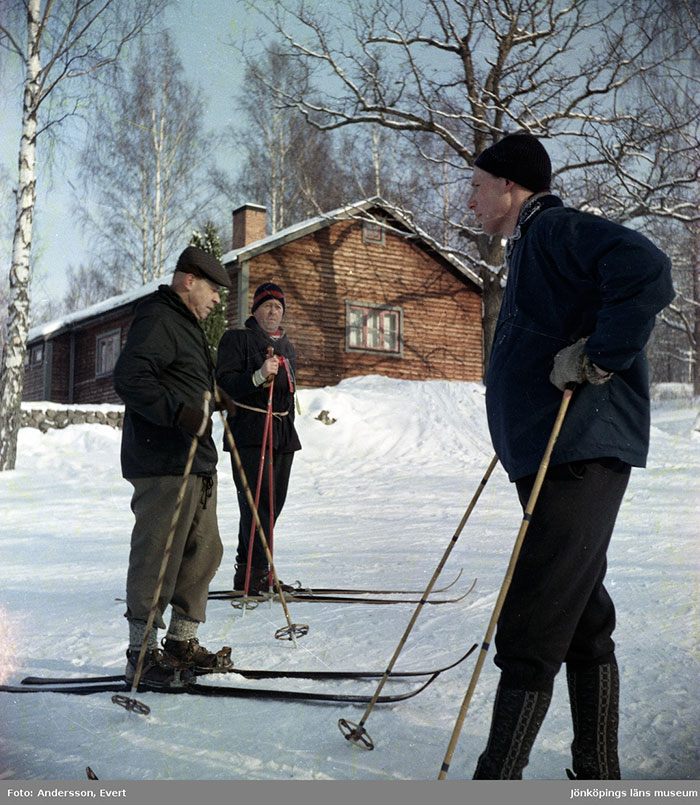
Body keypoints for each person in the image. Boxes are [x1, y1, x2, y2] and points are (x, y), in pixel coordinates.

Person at [467, 132, 674, 779]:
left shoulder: (554, 229)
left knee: (531, 618)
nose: (470, 201)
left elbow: (646, 270)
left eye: (477, 186)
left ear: (509, 184)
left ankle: (496, 777)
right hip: (554, 456)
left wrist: (599, 356)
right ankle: (598, 770)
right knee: (581, 615)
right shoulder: (528, 248)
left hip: (579, 452)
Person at [113, 246, 235, 689]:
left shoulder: (187, 326)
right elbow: (130, 379)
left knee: (204, 552)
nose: (219, 300)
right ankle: (141, 654)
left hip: (197, 462)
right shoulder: (159, 318)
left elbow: (180, 378)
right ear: (188, 281)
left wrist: (211, 398)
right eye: (213, 289)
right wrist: (180, 412)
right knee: (156, 557)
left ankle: (181, 644)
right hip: (164, 460)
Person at [215, 282, 301, 595]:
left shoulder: (287, 345)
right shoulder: (237, 338)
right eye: (267, 305)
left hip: (281, 432)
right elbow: (223, 384)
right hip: (251, 430)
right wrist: (258, 376)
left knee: (273, 505)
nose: (273, 311)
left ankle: (261, 570)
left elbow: (288, 393)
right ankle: (249, 573)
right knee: (256, 504)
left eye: (278, 306)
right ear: (255, 310)